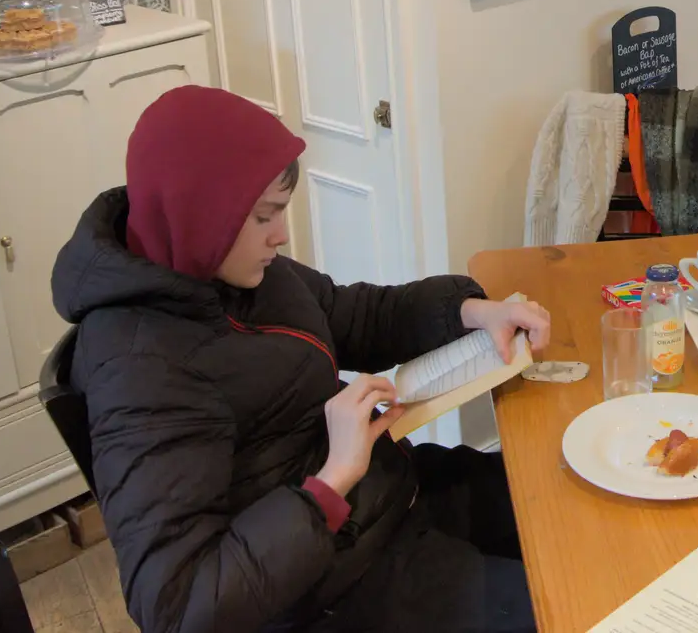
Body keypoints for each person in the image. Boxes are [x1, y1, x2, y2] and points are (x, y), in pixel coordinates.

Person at [51, 85, 550, 633]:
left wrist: (470, 311)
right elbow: (177, 607)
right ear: (203, 215)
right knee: (568, 605)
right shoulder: (142, 370)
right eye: (264, 216)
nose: (281, 235)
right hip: (335, 585)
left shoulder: (231, 268)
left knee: (562, 504)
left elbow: (355, 314)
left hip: (390, 498)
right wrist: (331, 480)